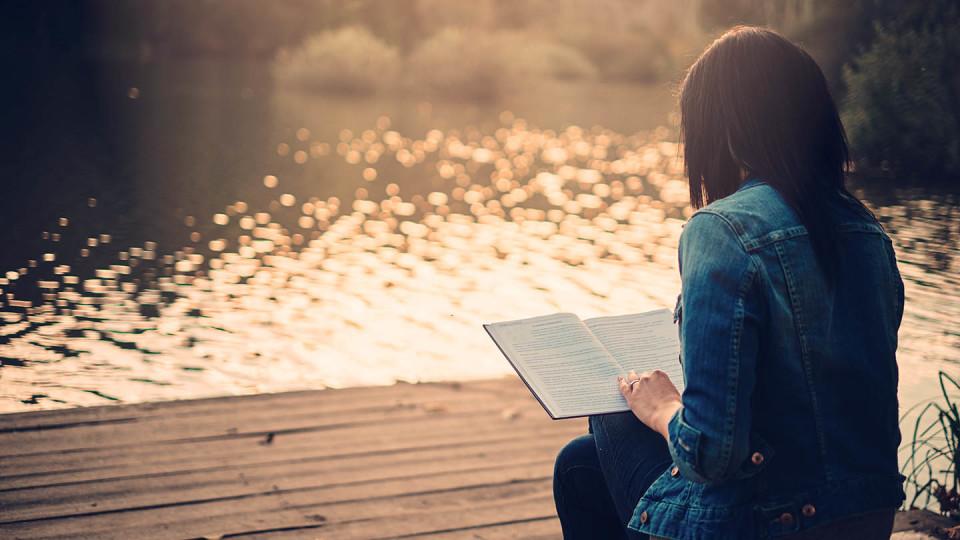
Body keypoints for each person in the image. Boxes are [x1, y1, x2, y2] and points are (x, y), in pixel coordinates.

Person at [553, 26, 906, 539]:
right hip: (864, 519)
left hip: (772, 524)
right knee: (582, 463)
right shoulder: (868, 230)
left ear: (725, 130)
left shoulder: (722, 230)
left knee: (613, 415)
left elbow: (711, 455)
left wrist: (662, 407)